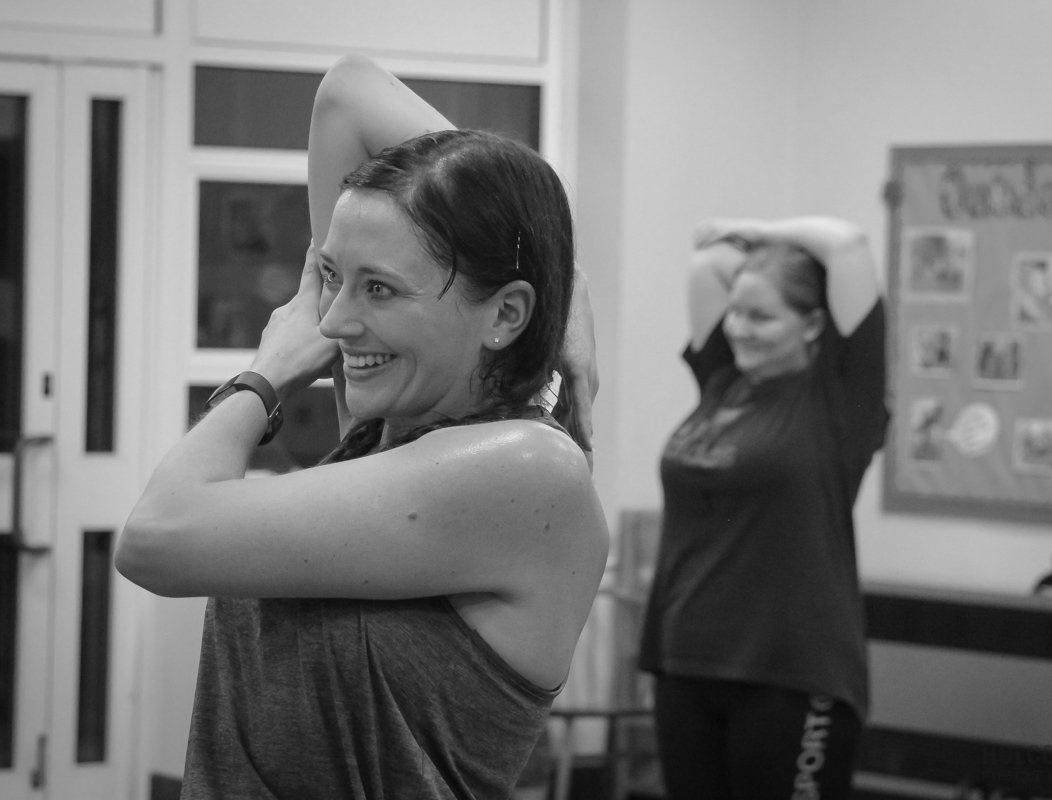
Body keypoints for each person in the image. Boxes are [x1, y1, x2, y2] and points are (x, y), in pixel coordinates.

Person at [116, 53, 608, 799]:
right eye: (333, 277)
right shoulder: (388, 424)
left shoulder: (528, 471)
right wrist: (566, 279)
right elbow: (347, 94)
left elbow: (156, 537)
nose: (332, 321)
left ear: (506, 313)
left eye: (378, 288)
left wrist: (266, 375)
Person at [638, 216, 889, 800]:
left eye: (761, 317)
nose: (739, 329)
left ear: (814, 325)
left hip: (791, 672)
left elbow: (847, 245)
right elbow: (708, 265)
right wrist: (758, 264)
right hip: (686, 659)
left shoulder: (840, 399)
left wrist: (751, 229)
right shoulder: (723, 381)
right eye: (736, 312)